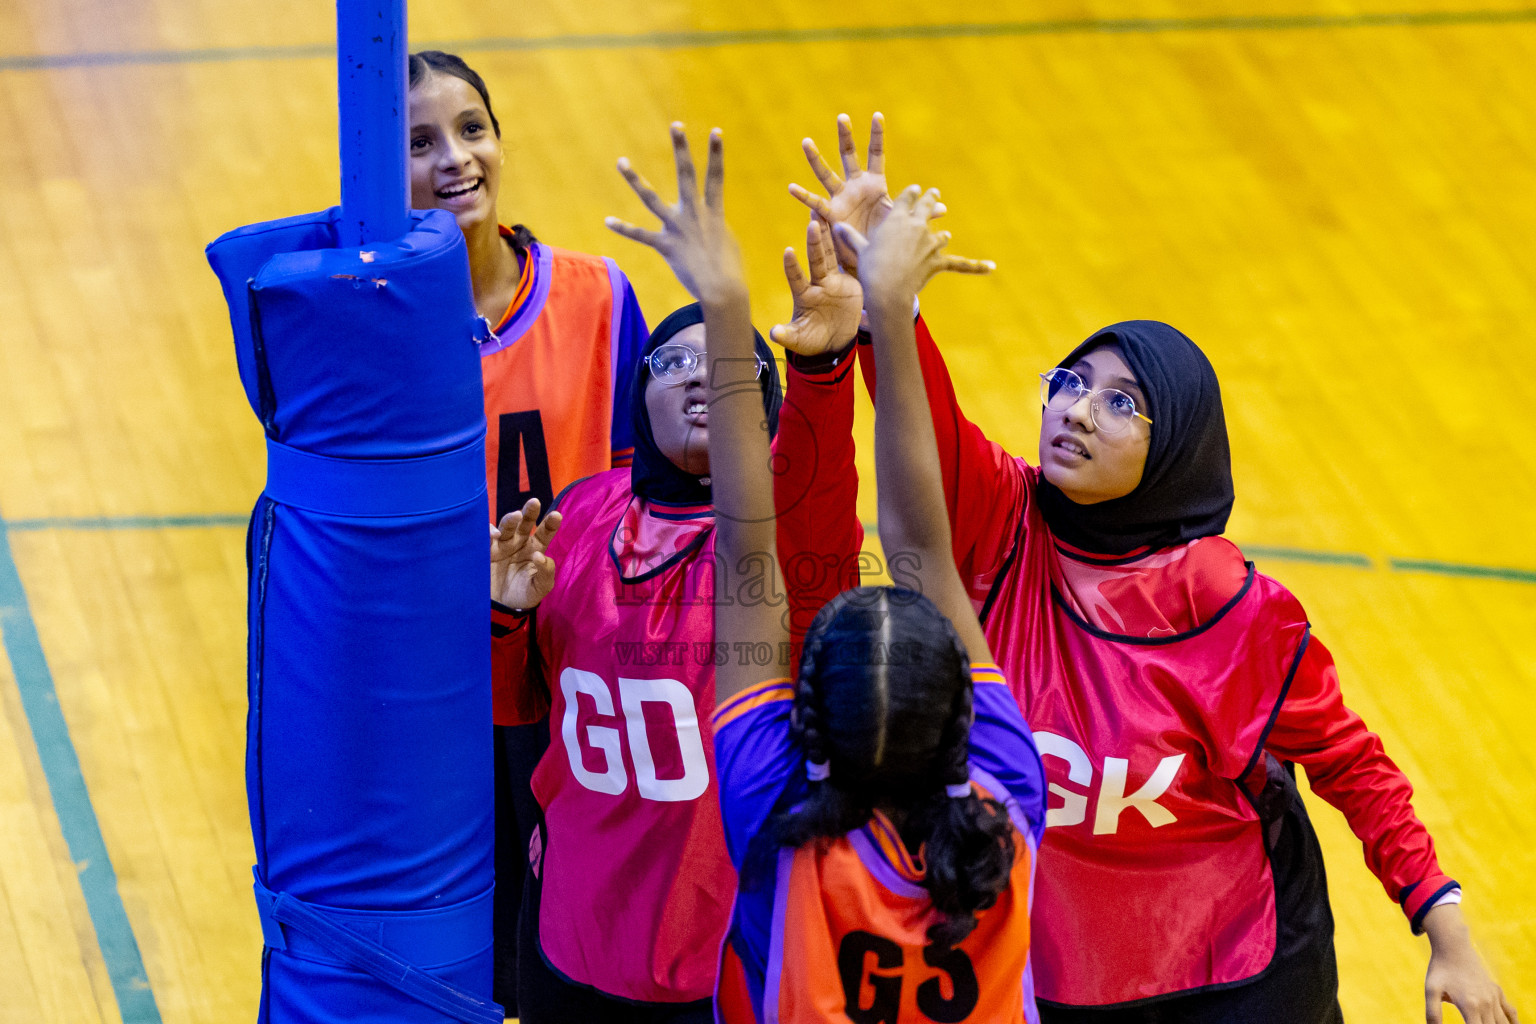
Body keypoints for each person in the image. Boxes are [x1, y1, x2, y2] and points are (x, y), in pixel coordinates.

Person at [809, 117, 1520, 1024]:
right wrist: (885, 306)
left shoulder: (1238, 608)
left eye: (1120, 404)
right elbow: (923, 426)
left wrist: (1445, 928)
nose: (1075, 411)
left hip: (1234, 967)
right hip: (1050, 960)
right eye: (1067, 382)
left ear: (1176, 443)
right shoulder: (1002, 515)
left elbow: (1352, 764)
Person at [606, 124, 1048, 1023]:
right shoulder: (1009, 797)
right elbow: (923, 544)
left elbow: (752, 542)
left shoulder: (773, 810)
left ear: (804, 717)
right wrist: (890, 311)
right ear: (967, 710)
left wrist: (726, 304)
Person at [483, 128, 867, 1021]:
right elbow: (519, 711)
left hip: (727, 953)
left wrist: (813, 364)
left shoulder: (779, 547)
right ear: (635, 394)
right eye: (674, 362)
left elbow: (817, 470)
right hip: (572, 935)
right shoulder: (577, 517)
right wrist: (505, 619)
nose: (701, 380)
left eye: (726, 368)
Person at [406, 49, 651, 1012]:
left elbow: (651, 487)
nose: (456, 157)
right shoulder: (380, 329)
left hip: (578, 698)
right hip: (447, 705)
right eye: (420, 144)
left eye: (472, 128)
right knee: (457, 970)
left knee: (576, 963)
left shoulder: (598, 296)